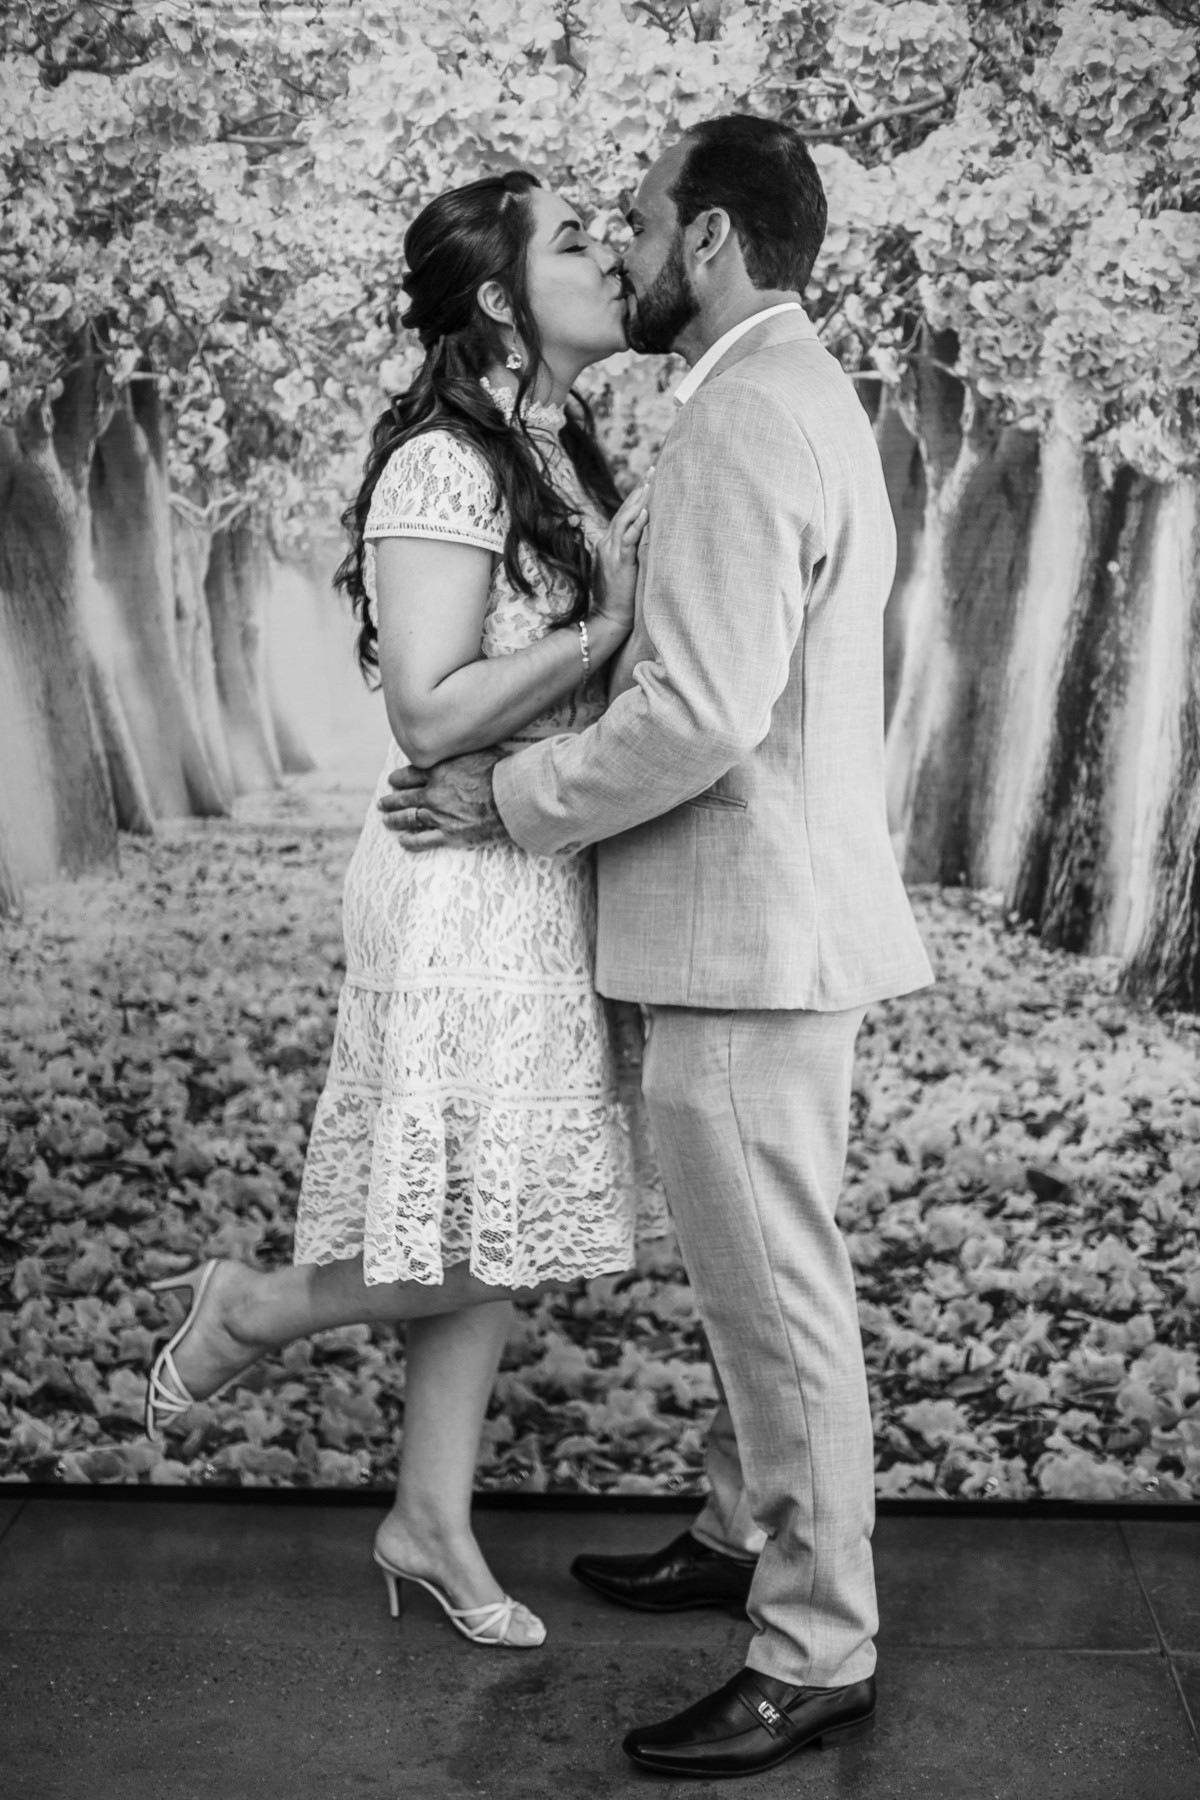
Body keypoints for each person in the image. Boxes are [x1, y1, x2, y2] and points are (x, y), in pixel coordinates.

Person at [380, 114, 935, 1776]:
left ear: (708, 241)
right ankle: (738, 1523)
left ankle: (815, 1645)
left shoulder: (750, 416)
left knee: (778, 1302)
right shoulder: (794, 391)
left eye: (634, 222)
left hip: (747, 944)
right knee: (761, 1275)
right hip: (762, 925)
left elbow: (698, 713)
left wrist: (507, 800)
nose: (621, 253)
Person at [144, 168, 662, 1651]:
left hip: (534, 864)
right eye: (575, 242)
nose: (610, 259)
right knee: (484, 1220)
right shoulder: (444, 463)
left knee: (492, 1206)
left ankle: (428, 1519)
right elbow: (428, 715)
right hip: (455, 886)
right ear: (498, 297)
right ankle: (254, 1307)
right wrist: (606, 627)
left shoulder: (562, 446)